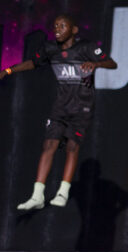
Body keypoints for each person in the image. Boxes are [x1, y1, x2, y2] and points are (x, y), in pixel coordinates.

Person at [0, 14, 117, 210]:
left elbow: (112, 63)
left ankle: (62, 192)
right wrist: (9, 70)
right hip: (60, 107)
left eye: (62, 26)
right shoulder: (50, 49)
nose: (57, 29)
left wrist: (96, 64)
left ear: (74, 30)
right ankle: (37, 196)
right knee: (49, 144)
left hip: (82, 106)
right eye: (55, 26)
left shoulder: (86, 47)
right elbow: (33, 63)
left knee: (72, 147)